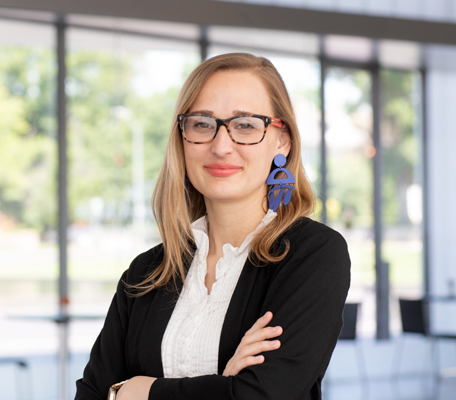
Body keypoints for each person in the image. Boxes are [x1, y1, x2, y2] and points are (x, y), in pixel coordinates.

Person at [75, 53, 350, 400]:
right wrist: (224, 385)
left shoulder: (312, 255)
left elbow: (263, 395)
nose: (221, 146)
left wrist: (138, 392)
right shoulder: (145, 273)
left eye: (246, 125)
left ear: (282, 141)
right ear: (183, 137)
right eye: (202, 124)